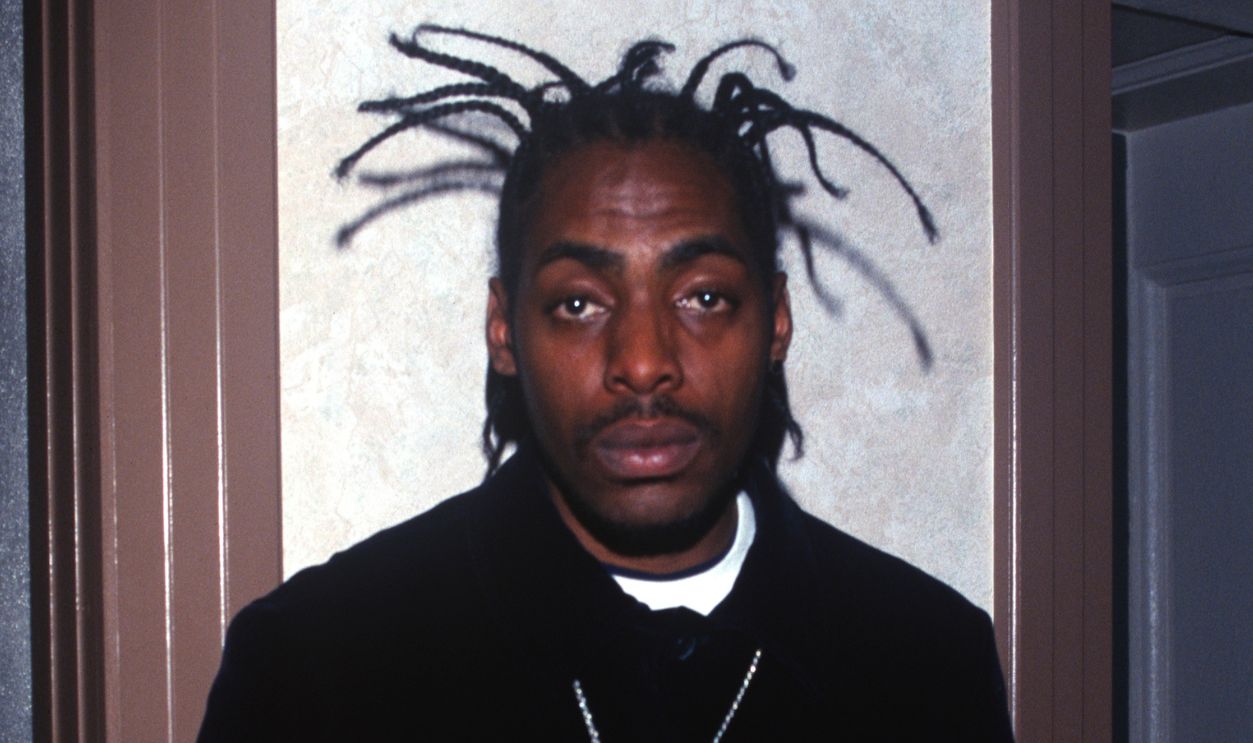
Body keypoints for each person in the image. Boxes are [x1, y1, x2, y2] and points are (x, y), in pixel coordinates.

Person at [199, 27, 1013, 741]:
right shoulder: (317, 665)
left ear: (775, 322)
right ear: (503, 331)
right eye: (579, 303)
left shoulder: (924, 664)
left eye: (703, 297)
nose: (643, 360)